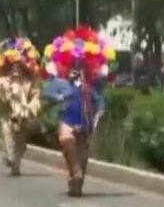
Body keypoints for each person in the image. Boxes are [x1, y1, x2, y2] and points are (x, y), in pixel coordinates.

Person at [42, 27, 112, 197]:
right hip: (67, 118)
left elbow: (100, 101)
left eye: (80, 64)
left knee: (82, 157)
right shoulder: (60, 82)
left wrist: (99, 113)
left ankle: (76, 183)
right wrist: (57, 97)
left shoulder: (91, 85)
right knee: (66, 140)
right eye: (73, 64)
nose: (77, 67)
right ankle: (75, 171)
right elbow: (46, 92)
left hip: (86, 123)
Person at [0, 37, 42, 176]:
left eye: (19, 66)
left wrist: (29, 109)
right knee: (7, 135)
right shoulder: (2, 81)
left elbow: (36, 99)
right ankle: (9, 157)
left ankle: (16, 165)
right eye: (13, 66)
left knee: (21, 144)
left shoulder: (30, 83)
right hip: (8, 116)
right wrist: (2, 98)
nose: (16, 69)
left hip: (24, 117)